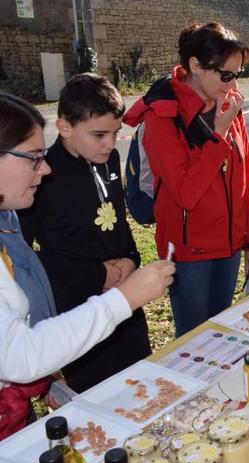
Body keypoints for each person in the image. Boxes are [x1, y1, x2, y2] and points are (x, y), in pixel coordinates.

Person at [0, 91, 174, 439]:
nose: (45, 167)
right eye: (34, 157)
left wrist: (128, 263)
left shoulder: (8, 218)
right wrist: (123, 296)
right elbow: (21, 353)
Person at [123, 22, 249, 337]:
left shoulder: (230, 104)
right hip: (190, 253)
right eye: (226, 75)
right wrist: (220, 134)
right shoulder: (162, 114)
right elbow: (186, 192)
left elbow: (243, 181)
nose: (233, 84)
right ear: (195, 65)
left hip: (229, 247)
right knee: (193, 341)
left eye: (238, 74)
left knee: (221, 333)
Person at [17, 74, 150, 393]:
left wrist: (131, 260)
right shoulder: (40, 176)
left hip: (125, 299)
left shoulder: (110, 158)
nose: (110, 143)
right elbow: (26, 259)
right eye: (99, 134)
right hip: (77, 311)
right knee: (99, 394)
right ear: (64, 127)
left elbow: (118, 221)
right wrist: (97, 275)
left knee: (141, 382)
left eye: (116, 132)